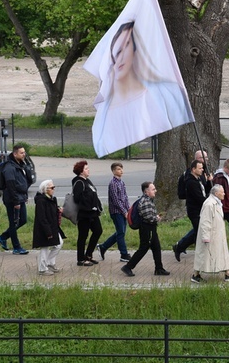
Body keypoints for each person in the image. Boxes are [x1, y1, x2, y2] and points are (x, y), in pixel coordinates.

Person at [91, 20, 193, 157]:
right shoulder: (107, 112)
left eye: (124, 47)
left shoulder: (169, 92)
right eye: (116, 52)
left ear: (134, 47)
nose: (119, 58)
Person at [191, 184, 229, 283]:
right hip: (211, 235)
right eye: (222, 192)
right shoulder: (209, 204)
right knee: (204, 255)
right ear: (216, 193)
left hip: (217, 234)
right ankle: (196, 275)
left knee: (221, 254)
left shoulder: (216, 203)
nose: (224, 194)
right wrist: (206, 237)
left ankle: (228, 273)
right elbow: (205, 221)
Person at [121, 182, 170, 277]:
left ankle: (159, 268)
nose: (155, 190)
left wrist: (154, 217)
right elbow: (149, 218)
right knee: (143, 248)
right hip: (147, 229)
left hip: (150, 228)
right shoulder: (146, 202)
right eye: (153, 189)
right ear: (146, 192)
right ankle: (128, 267)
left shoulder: (147, 200)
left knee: (156, 247)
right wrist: (157, 218)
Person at [0, 144, 34, 255]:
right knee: (13, 223)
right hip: (12, 199)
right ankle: (16, 247)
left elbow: (25, 181)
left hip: (21, 197)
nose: (24, 154)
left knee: (23, 220)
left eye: (24, 152)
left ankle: (3, 237)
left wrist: (24, 196)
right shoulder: (9, 167)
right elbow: (11, 185)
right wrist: (16, 201)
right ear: (15, 154)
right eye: (21, 153)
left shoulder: (21, 165)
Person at [173, 158, 212, 261]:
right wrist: (209, 203)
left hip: (200, 210)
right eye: (199, 168)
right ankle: (195, 251)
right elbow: (199, 198)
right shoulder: (190, 182)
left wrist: (208, 182)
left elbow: (205, 191)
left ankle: (179, 246)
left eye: (202, 168)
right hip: (195, 211)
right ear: (193, 169)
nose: (202, 170)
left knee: (197, 231)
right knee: (199, 232)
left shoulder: (199, 178)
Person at [97, 162, 132, 262]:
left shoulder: (121, 182)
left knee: (120, 232)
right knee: (120, 232)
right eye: (118, 169)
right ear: (113, 171)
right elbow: (116, 200)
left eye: (121, 168)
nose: (120, 170)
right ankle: (123, 254)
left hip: (123, 211)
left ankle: (103, 247)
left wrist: (128, 209)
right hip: (116, 212)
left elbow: (125, 197)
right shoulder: (113, 183)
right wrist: (124, 212)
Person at [72, 160, 103, 267]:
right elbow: (77, 198)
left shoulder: (87, 181)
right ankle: (80, 259)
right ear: (81, 171)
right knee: (83, 236)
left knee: (98, 231)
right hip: (84, 214)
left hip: (93, 213)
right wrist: (89, 204)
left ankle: (88, 255)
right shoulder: (78, 182)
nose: (88, 170)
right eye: (86, 168)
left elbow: (93, 194)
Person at [32, 180, 66, 276]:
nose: (53, 189)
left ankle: (50, 262)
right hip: (44, 229)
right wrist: (48, 232)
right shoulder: (41, 201)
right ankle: (42, 269)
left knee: (59, 243)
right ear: (45, 190)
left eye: (54, 187)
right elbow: (42, 217)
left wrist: (58, 209)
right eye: (52, 188)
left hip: (53, 227)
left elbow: (53, 211)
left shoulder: (52, 199)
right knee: (45, 247)